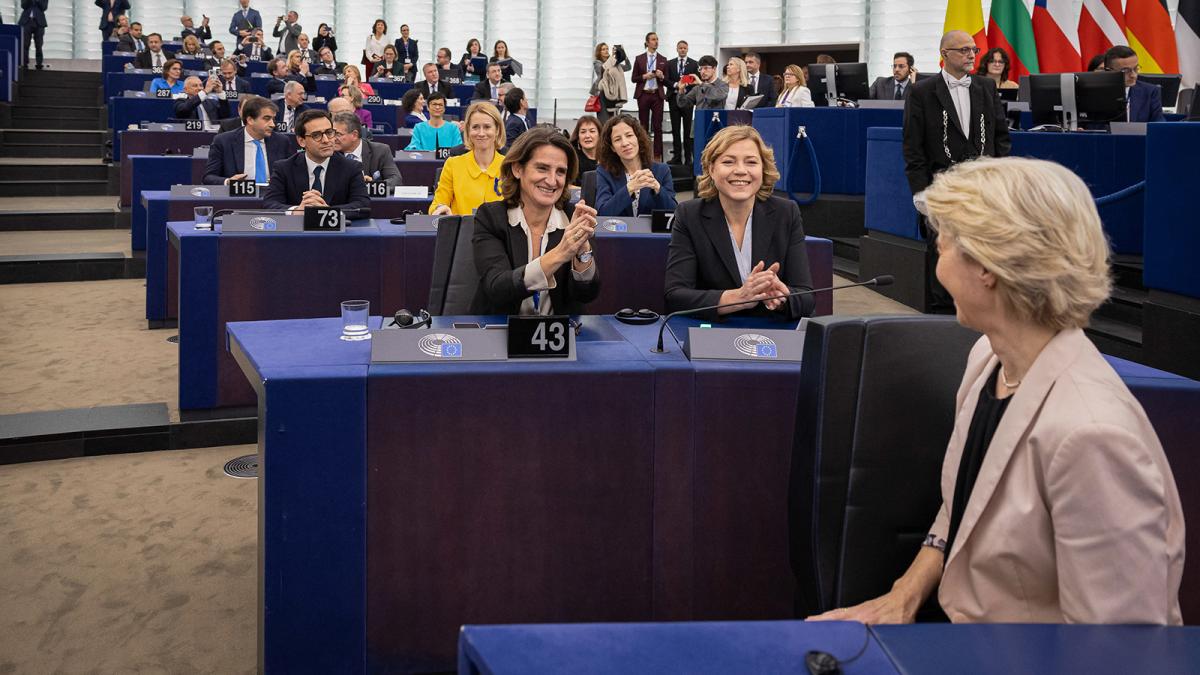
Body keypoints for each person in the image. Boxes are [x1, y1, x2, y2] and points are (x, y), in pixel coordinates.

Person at [810, 156, 1185, 626]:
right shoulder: (989, 358)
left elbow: (1120, 651)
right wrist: (905, 593)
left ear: (987, 267)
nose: (936, 258)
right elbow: (964, 506)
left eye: (943, 244)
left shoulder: (1092, 436)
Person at [904, 30, 1011, 313]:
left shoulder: (986, 87)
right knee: (942, 253)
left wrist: (999, 178)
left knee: (982, 251)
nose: (971, 55)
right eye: (963, 50)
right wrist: (920, 193)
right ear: (944, 55)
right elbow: (913, 148)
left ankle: (980, 310)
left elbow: (1000, 137)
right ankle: (940, 319)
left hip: (982, 188)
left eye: (973, 49)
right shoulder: (921, 91)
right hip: (941, 189)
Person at [664, 125, 814, 320]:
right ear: (711, 169)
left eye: (751, 162)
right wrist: (738, 297)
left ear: (763, 169)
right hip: (711, 336)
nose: (741, 171)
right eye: (728, 162)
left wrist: (782, 296)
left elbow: (807, 298)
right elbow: (675, 295)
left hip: (771, 335)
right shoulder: (689, 215)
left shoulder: (787, 213)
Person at [471, 127, 600, 315]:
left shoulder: (574, 216)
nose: (552, 180)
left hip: (560, 336)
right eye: (542, 168)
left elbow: (586, 295)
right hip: (500, 332)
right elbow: (497, 288)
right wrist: (561, 253)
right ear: (517, 169)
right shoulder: (491, 217)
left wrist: (582, 254)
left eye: (561, 172)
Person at [264, 110, 371, 214]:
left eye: (329, 133)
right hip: (297, 230)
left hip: (337, 231)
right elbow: (270, 203)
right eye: (316, 135)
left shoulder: (351, 167)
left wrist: (328, 212)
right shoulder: (284, 168)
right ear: (301, 141)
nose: (326, 140)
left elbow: (362, 204)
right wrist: (297, 211)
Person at [429, 101, 506, 215]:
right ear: (468, 130)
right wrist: (440, 209)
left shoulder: (510, 167)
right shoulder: (453, 165)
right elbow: (437, 204)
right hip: (462, 232)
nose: (481, 133)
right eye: (475, 127)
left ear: (497, 130)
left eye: (487, 127)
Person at [594, 114, 676, 217]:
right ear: (612, 148)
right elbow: (603, 213)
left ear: (638, 138)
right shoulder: (604, 172)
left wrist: (657, 188)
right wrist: (629, 188)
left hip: (651, 233)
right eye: (617, 139)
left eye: (629, 135)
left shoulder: (662, 170)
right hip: (619, 232)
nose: (625, 143)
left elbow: (674, 212)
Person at [203, 95, 295, 184]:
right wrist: (229, 182)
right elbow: (209, 177)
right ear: (250, 120)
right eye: (266, 119)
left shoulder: (282, 141)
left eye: (273, 119)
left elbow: (293, 174)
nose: (273, 124)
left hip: (273, 197)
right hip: (238, 198)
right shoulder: (223, 141)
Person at [332, 111, 402, 190]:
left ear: (354, 135)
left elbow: (396, 181)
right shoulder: (330, 153)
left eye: (338, 134)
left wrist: (372, 185)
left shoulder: (381, 151)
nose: (333, 138)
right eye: (332, 133)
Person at [1105, 45, 1165, 123]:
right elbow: (1091, 125)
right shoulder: (1095, 93)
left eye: (1136, 68)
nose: (1133, 75)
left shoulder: (1151, 91)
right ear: (1109, 71)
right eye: (1126, 70)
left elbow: (1159, 121)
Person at [631, 32, 666, 161]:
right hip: (644, 94)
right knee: (643, 125)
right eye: (653, 39)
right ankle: (643, 153)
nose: (656, 42)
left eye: (657, 39)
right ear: (647, 42)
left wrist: (661, 76)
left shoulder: (663, 59)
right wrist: (644, 76)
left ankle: (657, 155)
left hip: (657, 95)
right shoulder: (639, 58)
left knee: (658, 126)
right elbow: (633, 78)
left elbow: (665, 80)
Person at [666, 40, 698, 165]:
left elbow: (696, 79)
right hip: (673, 99)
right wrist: (676, 85)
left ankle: (688, 158)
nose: (683, 50)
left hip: (687, 99)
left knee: (687, 130)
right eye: (680, 48)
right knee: (675, 129)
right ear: (677, 49)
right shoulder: (670, 63)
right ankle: (677, 157)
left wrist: (684, 83)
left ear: (688, 49)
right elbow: (666, 80)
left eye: (685, 48)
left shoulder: (694, 64)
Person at [19, 0, 47, 71]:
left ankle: (39, 63)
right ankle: (24, 63)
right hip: (26, 22)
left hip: (39, 22)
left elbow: (44, 7)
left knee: (39, 44)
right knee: (25, 44)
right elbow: (23, 5)